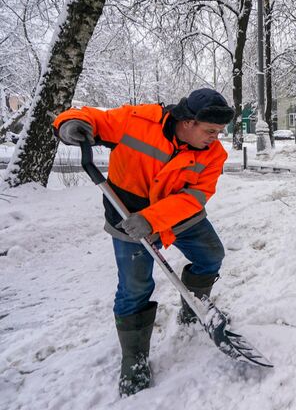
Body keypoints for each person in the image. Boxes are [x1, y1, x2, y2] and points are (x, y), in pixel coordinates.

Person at [53, 88, 235, 396]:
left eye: (219, 132)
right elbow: (91, 118)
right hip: (126, 213)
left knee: (211, 254)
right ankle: (134, 358)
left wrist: (153, 220)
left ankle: (193, 307)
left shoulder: (213, 155)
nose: (215, 138)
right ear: (188, 121)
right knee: (135, 288)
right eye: (210, 131)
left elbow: (194, 197)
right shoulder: (137, 121)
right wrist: (70, 123)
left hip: (177, 214)